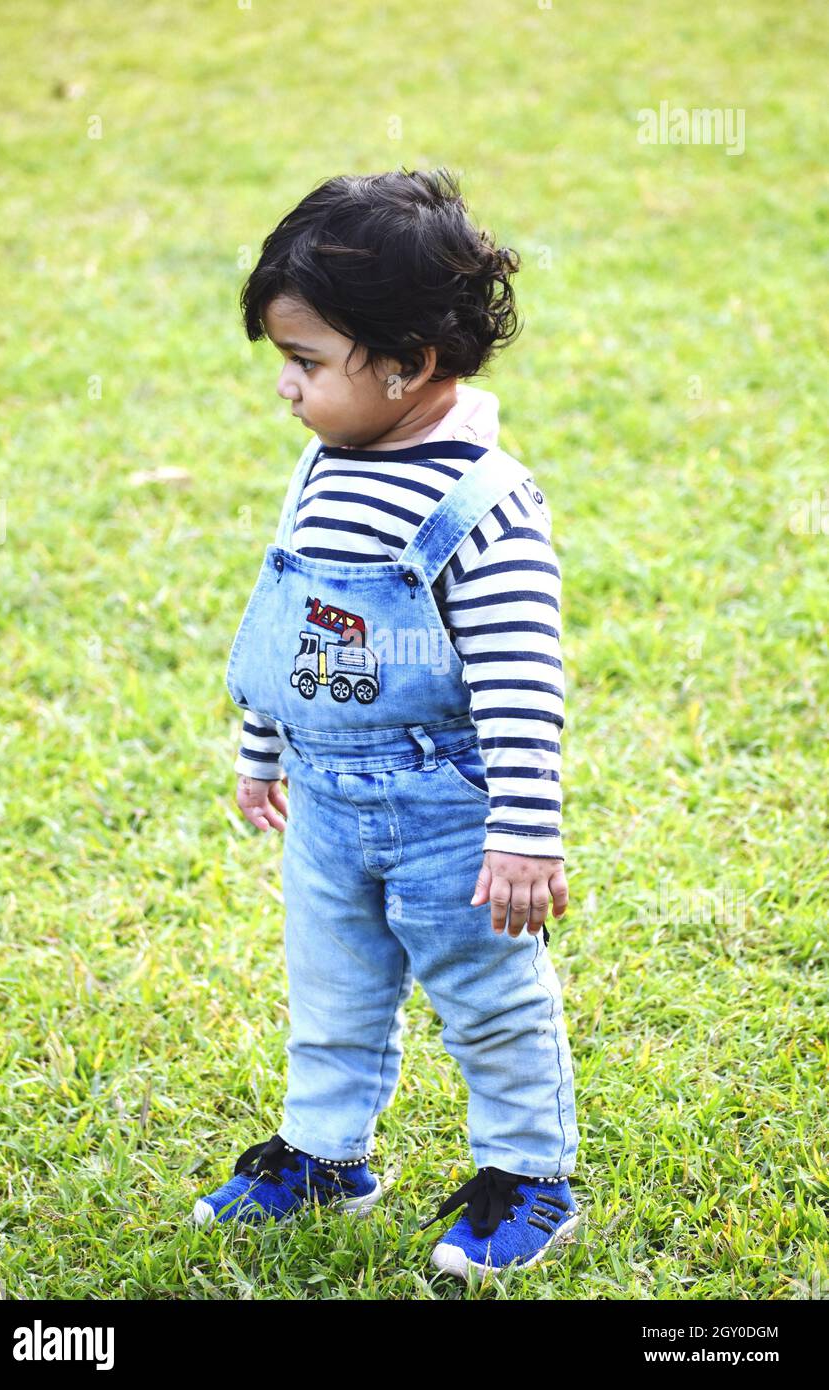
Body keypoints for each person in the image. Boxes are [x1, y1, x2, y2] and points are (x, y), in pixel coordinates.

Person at [192, 168, 581, 1280]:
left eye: (305, 362)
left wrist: (524, 831)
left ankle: (526, 1176)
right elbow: (293, 625)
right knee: (329, 990)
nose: (285, 389)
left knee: (488, 999)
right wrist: (265, 746)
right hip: (323, 798)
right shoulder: (327, 464)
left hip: (445, 814)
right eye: (283, 360)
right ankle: (325, 1154)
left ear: (408, 364)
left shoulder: (479, 502)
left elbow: (520, 679)